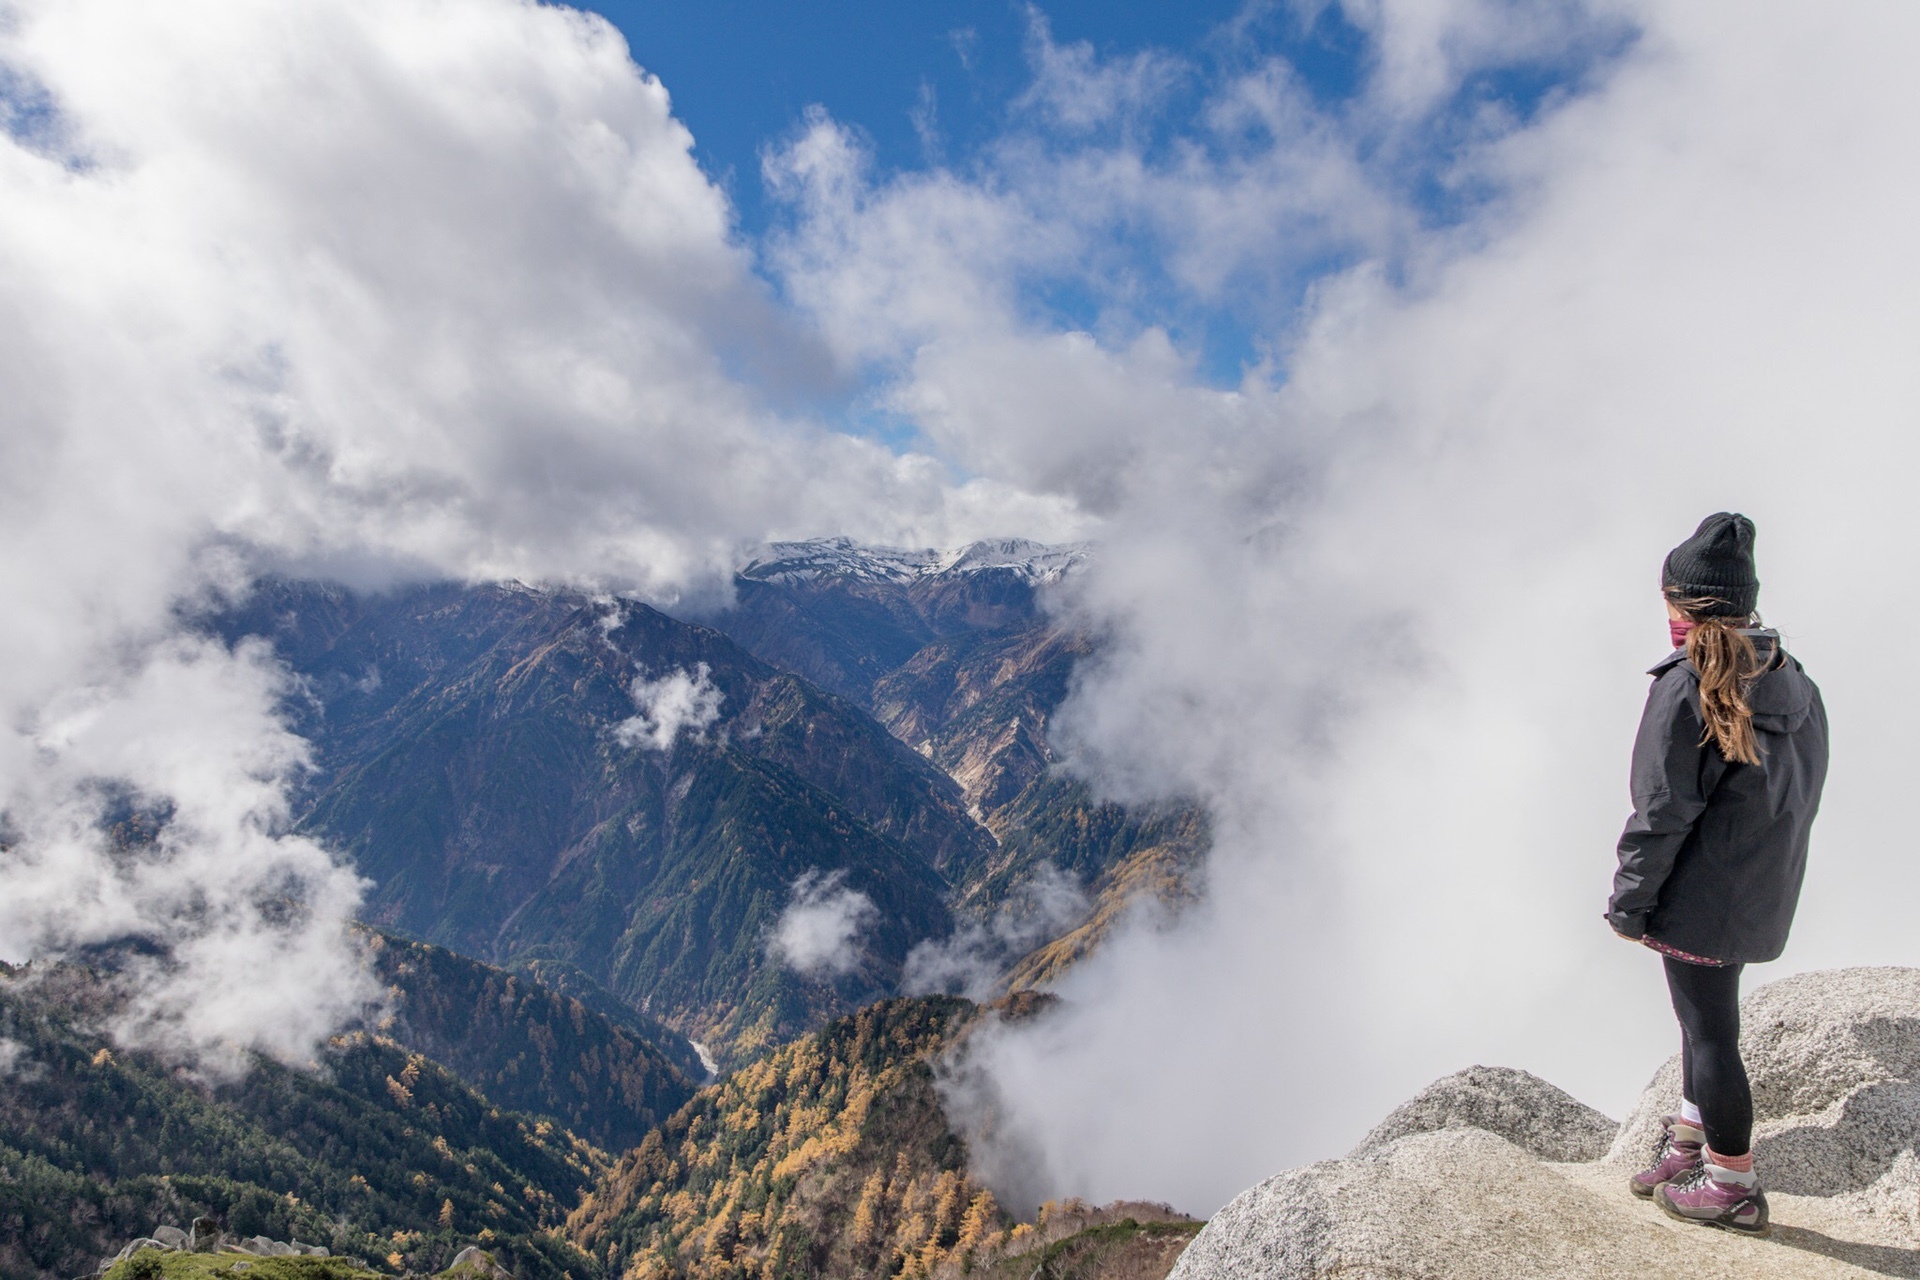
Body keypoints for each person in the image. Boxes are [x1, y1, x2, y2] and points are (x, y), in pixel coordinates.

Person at [1606, 512, 1829, 1235]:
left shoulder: (1688, 685)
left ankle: (1731, 1183)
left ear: (1681, 605)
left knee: (1711, 1036)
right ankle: (1691, 1145)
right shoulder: (1793, 682)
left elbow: (1662, 809)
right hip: (1759, 888)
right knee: (1705, 1022)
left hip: (1700, 895)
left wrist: (1630, 903)